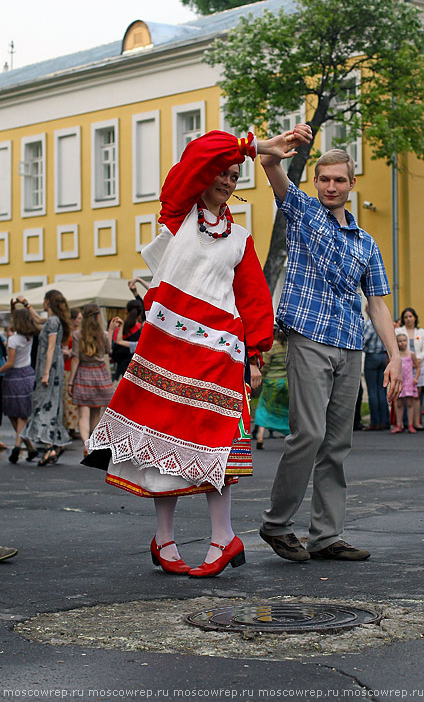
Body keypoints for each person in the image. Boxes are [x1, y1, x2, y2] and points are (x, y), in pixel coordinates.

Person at [84, 129, 300, 578]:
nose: (227, 179)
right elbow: (199, 154)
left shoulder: (240, 239)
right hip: (165, 347)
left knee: (215, 442)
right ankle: (164, 540)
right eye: (221, 171)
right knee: (163, 442)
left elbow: (254, 298)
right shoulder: (177, 214)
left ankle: (224, 537)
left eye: (235, 175)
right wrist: (253, 146)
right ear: (203, 176)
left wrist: (256, 355)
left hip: (218, 352)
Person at [259, 130, 402, 563]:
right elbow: (269, 167)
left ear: (351, 184)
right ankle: (277, 524)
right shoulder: (302, 210)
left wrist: (395, 355)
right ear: (316, 181)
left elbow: (376, 303)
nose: (330, 186)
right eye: (324, 179)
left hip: (351, 346)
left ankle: (325, 536)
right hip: (309, 338)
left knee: (338, 443)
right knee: (309, 434)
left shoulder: (366, 242)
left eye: (339, 180)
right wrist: (273, 149)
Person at [19, 290, 71, 465]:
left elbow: (50, 348)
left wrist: (46, 373)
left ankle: (49, 448)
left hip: (49, 368)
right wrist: (26, 304)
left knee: (44, 406)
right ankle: (55, 444)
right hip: (54, 367)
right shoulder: (53, 320)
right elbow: (38, 320)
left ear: (48, 302)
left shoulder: (53, 321)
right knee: (52, 405)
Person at [69, 303, 116, 454]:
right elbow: (109, 351)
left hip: (84, 373)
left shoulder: (77, 335)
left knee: (83, 413)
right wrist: (110, 332)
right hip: (100, 373)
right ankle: (92, 443)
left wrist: (71, 381)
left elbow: (75, 359)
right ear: (97, 316)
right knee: (96, 412)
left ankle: (85, 443)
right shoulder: (103, 334)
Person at [0, 307, 39, 463]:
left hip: (13, 377)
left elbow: (10, 363)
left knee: (12, 412)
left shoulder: (13, 340)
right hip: (27, 374)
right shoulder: (29, 336)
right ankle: (30, 447)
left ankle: (17, 445)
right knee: (23, 413)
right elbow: (38, 322)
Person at [253, 329, 290, 448]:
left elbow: (266, 364)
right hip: (286, 382)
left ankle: (260, 437)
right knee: (286, 409)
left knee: (264, 407)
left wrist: (261, 374)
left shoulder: (273, 346)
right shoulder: (289, 347)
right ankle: (290, 436)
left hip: (272, 382)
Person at [396, 308, 424, 429]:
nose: (408, 319)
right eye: (406, 317)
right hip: (403, 366)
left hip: (418, 364)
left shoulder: (421, 332)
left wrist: (416, 360)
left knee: (416, 395)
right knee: (402, 395)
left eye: (410, 316)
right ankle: (402, 423)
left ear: (415, 317)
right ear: (403, 319)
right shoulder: (398, 331)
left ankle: (416, 422)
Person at [362, 314, 390, 430]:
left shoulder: (369, 323)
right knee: (382, 390)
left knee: (372, 391)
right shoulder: (383, 323)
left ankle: (375, 422)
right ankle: (385, 421)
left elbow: (364, 339)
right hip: (383, 356)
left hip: (372, 355)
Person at [391, 332, 419, 434]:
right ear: (396, 343)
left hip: (409, 381)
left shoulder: (411, 354)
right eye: (400, 341)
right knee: (398, 404)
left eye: (404, 341)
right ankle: (399, 425)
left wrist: (415, 378)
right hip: (399, 382)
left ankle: (410, 425)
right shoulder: (395, 355)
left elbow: (418, 367)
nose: (402, 343)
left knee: (409, 403)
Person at [111, 299, 144, 380]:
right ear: (140, 313)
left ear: (126, 311)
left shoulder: (119, 329)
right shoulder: (142, 329)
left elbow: (116, 344)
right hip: (137, 370)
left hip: (121, 369)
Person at [62, 307, 82, 438]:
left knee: (76, 400)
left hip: (78, 368)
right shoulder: (68, 333)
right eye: (79, 318)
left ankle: (74, 426)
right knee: (68, 400)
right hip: (68, 368)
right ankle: (71, 427)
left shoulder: (80, 332)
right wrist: (70, 352)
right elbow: (64, 350)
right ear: (73, 319)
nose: (81, 320)